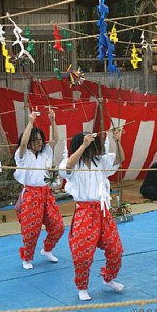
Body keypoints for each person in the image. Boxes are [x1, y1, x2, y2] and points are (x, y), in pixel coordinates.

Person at [59, 129, 125, 301]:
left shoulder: (100, 162)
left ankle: (109, 278)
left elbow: (119, 159)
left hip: (102, 210)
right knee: (82, 253)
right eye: (89, 145)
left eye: (91, 145)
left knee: (116, 249)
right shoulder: (71, 162)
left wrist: (117, 140)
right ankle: (82, 286)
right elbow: (68, 166)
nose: (91, 149)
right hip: (84, 211)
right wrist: (83, 145)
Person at [14, 111, 64, 269]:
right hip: (30, 194)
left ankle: (47, 249)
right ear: (29, 142)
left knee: (58, 226)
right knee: (31, 230)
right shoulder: (23, 155)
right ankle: (27, 257)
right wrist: (30, 122)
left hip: (46, 193)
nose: (40, 143)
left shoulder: (45, 153)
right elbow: (22, 143)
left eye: (41, 140)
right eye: (36, 141)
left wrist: (53, 121)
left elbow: (55, 140)